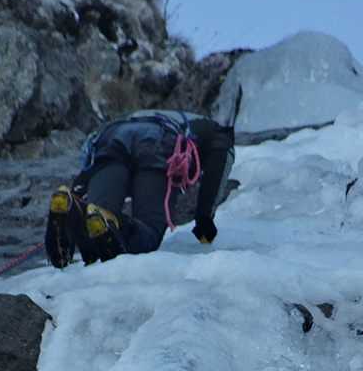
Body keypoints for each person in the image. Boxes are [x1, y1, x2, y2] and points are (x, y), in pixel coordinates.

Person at [45, 110, 235, 268]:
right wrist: (204, 219)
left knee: (96, 216)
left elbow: (94, 168)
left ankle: (74, 210)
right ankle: (120, 224)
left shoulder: (143, 114)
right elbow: (221, 159)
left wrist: (80, 187)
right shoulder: (214, 129)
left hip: (112, 136)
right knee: (149, 231)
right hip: (159, 141)